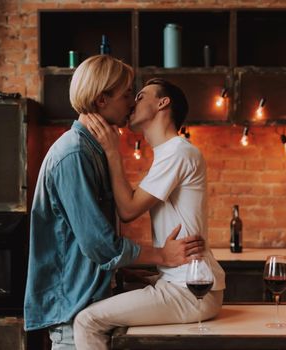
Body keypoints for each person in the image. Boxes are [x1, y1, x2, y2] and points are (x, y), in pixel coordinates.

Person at [24, 56, 205, 350]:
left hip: (89, 299)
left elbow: (87, 242)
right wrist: (161, 256)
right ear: (101, 100)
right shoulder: (74, 154)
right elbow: (99, 243)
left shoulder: (93, 151)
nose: (131, 104)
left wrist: (122, 270)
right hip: (74, 309)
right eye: (126, 96)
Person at [73, 78, 225, 350]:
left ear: (162, 103)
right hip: (180, 281)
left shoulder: (179, 151)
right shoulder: (168, 153)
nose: (133, 102)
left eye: (141, 96)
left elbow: (128, 209)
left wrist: (111, 152)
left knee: (87, 321)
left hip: (190, 290)